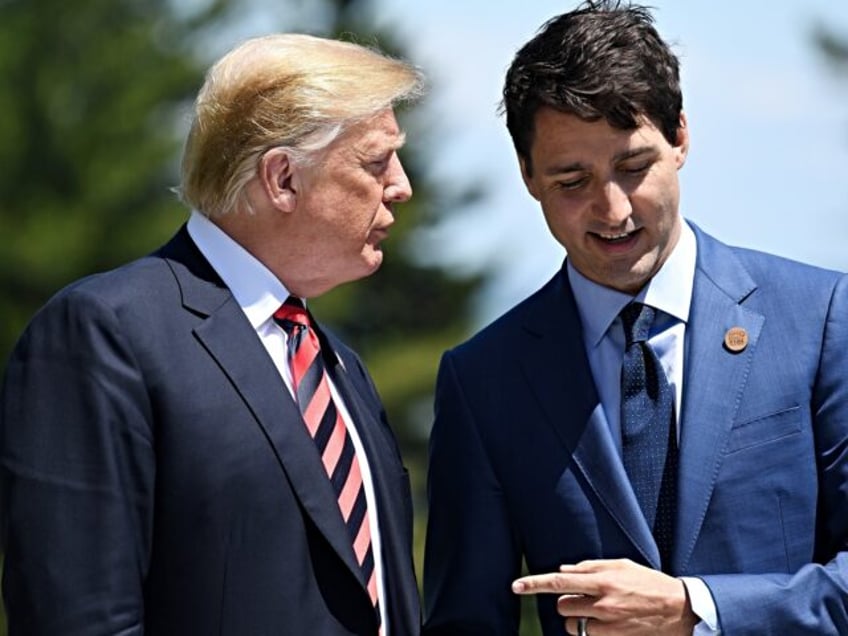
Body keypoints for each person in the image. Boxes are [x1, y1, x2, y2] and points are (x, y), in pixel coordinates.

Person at [422, 2, 848, 635]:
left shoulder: (822, 320)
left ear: (680, 137)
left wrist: (692, 608)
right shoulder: (483, 379)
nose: (612, 209)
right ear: (527, 176)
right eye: (572, 181)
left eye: (633, 167)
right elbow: (466, 622)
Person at [0, 33, 424, 635]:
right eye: (376, 161)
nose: (401, 186)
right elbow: (76, 618)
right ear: (283, 180)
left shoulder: (340, 366)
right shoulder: (105, 333)